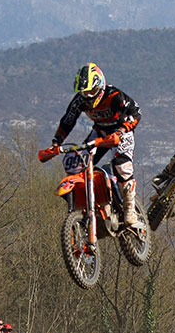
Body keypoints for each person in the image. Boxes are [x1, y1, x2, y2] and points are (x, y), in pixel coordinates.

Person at [44, 62, 142, 225]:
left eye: (92, 91)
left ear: (100, 86)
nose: (89, 96)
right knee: (78, 164)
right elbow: (68, 120)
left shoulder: (114, 95)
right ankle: (89, 205)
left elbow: (136, 112)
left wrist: (123, 130)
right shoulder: (79, 101)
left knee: (121, 166)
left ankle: (129, 208)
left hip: (121, 133)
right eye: (85, 93)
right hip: (99, 133)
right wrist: (56, 142)